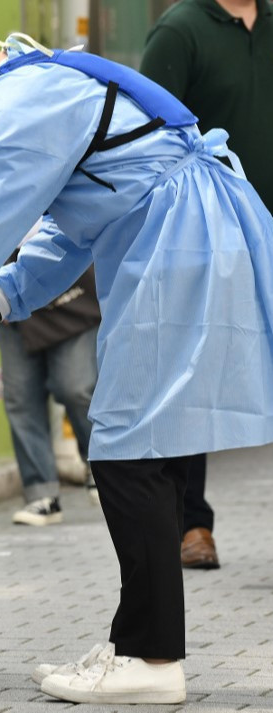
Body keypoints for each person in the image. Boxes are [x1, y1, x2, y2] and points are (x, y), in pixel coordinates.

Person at [0, 0, 273, 704]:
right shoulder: (33, 81)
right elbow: (69, 228)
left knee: (128, 445)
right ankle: (136, 642)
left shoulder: (18, 103)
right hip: (173, 236)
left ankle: (153, 660)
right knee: (130, 444)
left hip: (181, 242)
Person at [140, 0, 273, 570]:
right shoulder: (180, 29)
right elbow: (148, 136)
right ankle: (192, 523)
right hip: (209, 234)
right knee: (193, 375)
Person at [0, 261, 100, 526]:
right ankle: (41, 494)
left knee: (75, 387)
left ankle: (102, 468)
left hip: (68, 287)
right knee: (21, 398)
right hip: (8, 297)